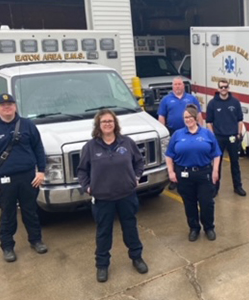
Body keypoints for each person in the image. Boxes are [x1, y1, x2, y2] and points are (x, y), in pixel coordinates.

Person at [0, 93, 48, 263]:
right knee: (7, 214)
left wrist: (41, 171)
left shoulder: (28, 125)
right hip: (3, 179)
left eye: (10, 104)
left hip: (29, 177)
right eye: (3, 105)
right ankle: (7, 247)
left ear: (15, 106)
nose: (7, 107)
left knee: (31, 211)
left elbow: (38, 148)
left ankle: (36, 240)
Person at [77, 109, 149, 282]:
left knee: (130, 228)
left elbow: (139, 162)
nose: (108, 124)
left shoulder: (127, 142)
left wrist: (136, 177)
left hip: (127, 195)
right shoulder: (90, 147)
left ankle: (136, 257)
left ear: (115, 123)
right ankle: (102, 265)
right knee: (103, 233)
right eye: (104, 122)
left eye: (110, 121)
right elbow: (81, 171)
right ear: (98, 125)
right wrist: (87, 187)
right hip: (102, 199)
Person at [165, 104, 221, 242]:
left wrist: (215, 171)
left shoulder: (207, 133)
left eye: (190, 117)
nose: (188, 119)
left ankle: (209, 227)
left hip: (204, 173)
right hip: (184, 174)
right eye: (185, 117)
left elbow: (217, 153)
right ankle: (194, 228)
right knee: (189, 203)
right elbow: (169, 155)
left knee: (206, 202)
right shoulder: (177, 134)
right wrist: (171, 171)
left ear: (196, 118)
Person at [158, 76, 203, 191]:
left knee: (188, 153)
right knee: (174, 156)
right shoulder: (166, 100)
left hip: (190, 131)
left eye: (180, 84)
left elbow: (198, 115)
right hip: (173, 132)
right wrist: (163, 132)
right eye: (175, 84)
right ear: (172, 86)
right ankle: (174, 179)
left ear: (183, 86)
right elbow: (162, 117)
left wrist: (201, 130)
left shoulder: (191, 98)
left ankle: (191, 177)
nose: (177, 86)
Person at [206, 79, 246, 197]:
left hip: (233, 137)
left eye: (225, 87)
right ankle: (215, 188)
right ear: (218, 89)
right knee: (217, 164)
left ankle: (238, 187)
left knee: (235, 163)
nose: (223, 89)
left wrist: (238, 134)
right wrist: (213, 137)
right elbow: (209, 122)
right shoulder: (212, 103)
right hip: (218, 138)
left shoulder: (235, 102)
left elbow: (240, 119)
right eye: (221, 87)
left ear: (228, 88)